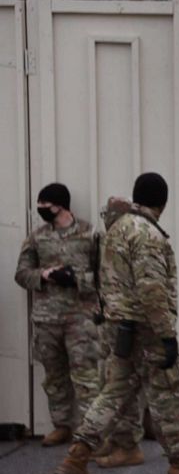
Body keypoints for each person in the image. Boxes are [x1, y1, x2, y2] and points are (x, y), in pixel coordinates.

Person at [55, 173, 179, 474]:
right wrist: (167, 335)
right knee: (169, 391)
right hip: (145, 327)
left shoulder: (115, 229)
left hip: (119, 327)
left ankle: (76, 457)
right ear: (163, 201)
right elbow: (152, 290)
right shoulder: (147, 234)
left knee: (114, 391)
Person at [15, 183, 102, 446]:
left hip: (80, 319)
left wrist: (76, 280)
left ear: (61, 206)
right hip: (46, 319)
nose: (41, 210)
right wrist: (43, 275)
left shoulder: (90, 234)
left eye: (45, 206)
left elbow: (105, 276)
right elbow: (21, 273)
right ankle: (62, 425)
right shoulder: (37, 237)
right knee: (54, 377)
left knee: (86, 377)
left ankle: (90, 434)